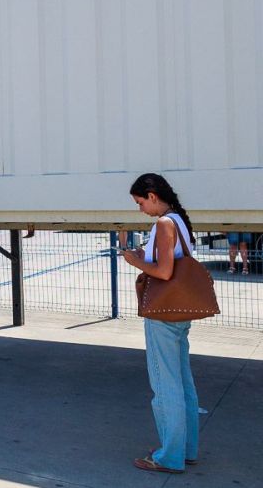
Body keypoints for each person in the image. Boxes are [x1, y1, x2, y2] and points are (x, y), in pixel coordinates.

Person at [121, 173, 200, 474]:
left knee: (165, 387)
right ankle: (185, 449)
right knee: (183, 383)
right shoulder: (178, 221)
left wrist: (135, 261)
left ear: (152, 195)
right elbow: (171, 261)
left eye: (140, 202)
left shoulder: (164, 224)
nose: (140, 208)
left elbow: (164, 272)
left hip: (163, 314)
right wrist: (146, 255)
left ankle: (169, 456)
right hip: (181, 312)